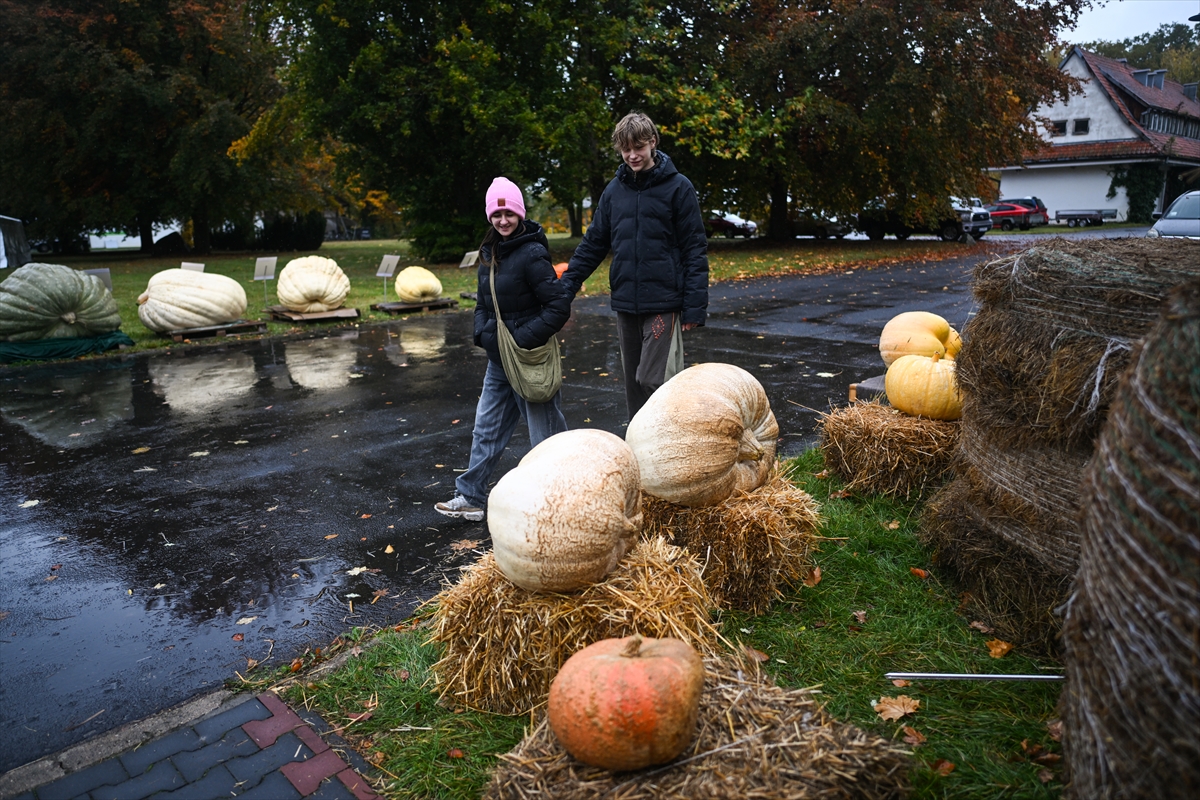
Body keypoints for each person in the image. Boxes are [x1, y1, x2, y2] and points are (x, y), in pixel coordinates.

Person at [435, 177, 571, 522]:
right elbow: (483, 305)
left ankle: (566, 499)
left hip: (529, 359)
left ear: (520, 213)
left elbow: (557, 307)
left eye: (509, 213)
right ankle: (470, 498)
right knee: (486, 429)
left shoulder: (532, 252)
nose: (503, 221)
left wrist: (522, 339)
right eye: (497, 215)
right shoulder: (490, 252)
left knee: (545, 437)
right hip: (499, 361)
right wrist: (484, 335)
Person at [559, 112, 709, 419]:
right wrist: (567, 286)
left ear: (652, 142)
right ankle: (640, 452)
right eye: (625, 149)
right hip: (626, 303)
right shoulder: (614, 191)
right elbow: (593, 243)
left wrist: (694, 306)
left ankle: (681, 438)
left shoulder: (678, 188)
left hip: (663, 303)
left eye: (637, 148)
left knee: (653, 379)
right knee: (633, 387)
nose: (631, 155)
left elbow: (695, 248)